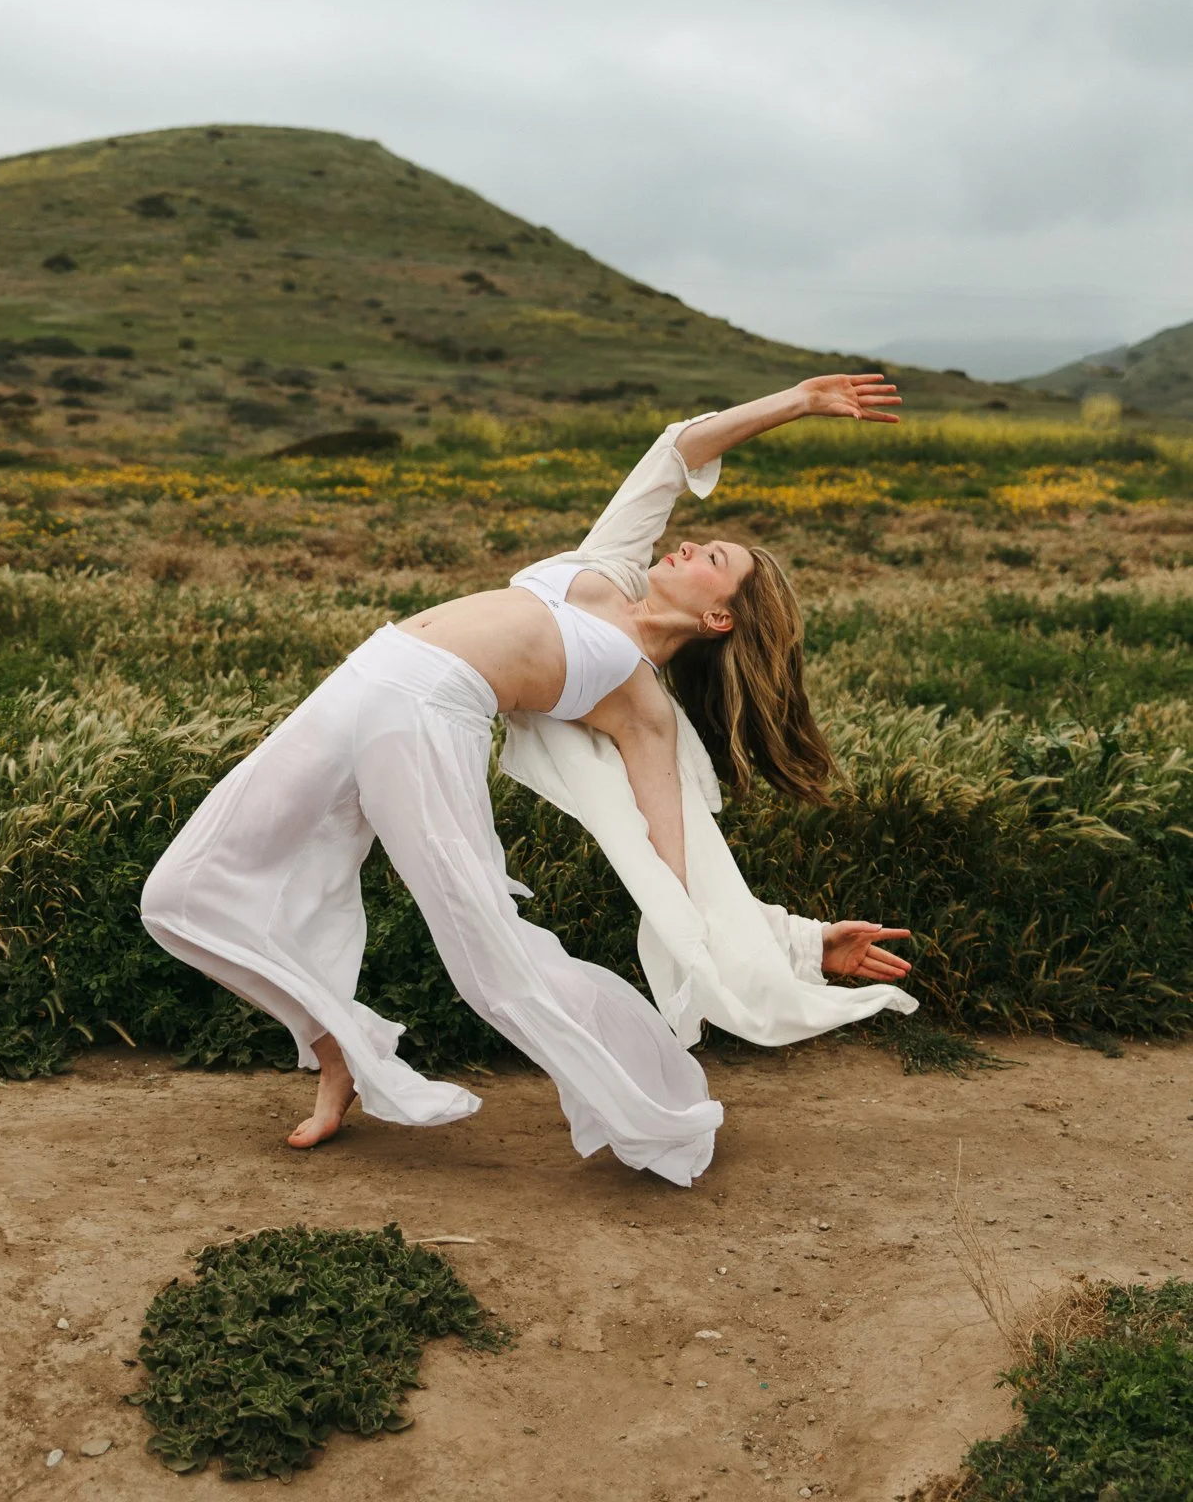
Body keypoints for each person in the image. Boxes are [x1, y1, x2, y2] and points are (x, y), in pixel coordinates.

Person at [140, 374, 916, 1188]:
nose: (686, 545)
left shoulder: (640, 706)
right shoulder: (611, 567)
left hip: (427, 724)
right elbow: (674, 450)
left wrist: (794, 940)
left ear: (719, 617)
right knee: (184, 893)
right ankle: (340, 1051)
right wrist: (794, 401)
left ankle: (657, 1114)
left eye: (710, 557)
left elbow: (676, 861)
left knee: (492, 957)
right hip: (359, 682)